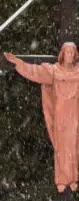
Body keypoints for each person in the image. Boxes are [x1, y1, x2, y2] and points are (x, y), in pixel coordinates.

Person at [5, 44, 79, 192]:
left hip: (75, 115)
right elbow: (35, 71)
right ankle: (62, 179)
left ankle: (73, 178)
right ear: (62, 54)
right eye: (67, 52)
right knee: (61, 146)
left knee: (74, 145)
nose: (70, 55)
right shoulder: (54, 71)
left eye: (72, 52)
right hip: (60, 115)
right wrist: (19, 63)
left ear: (75, 55)